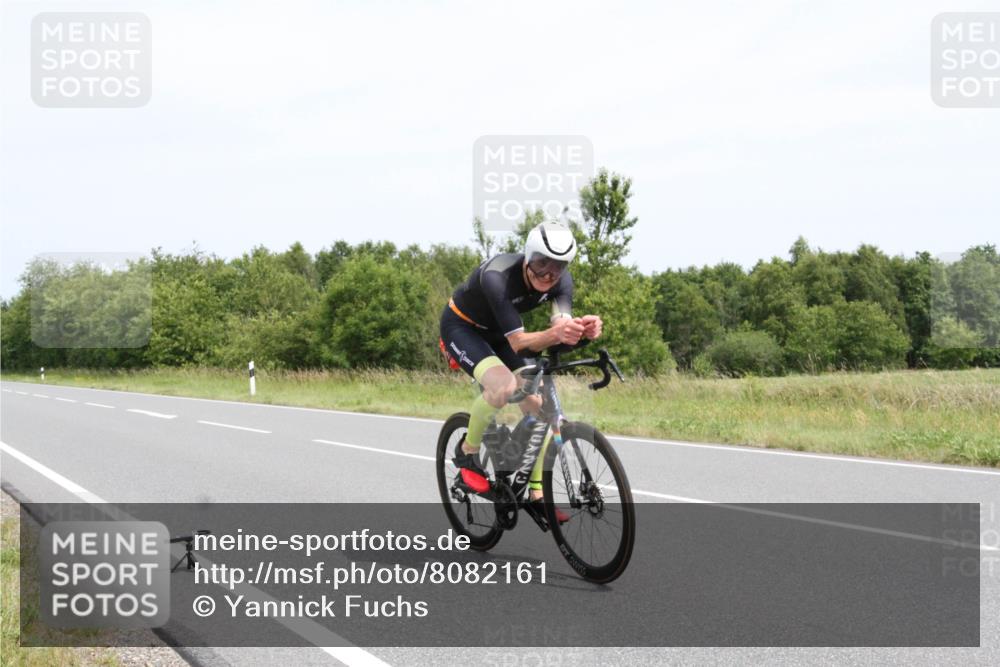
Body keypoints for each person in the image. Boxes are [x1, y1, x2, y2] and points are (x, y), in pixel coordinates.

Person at [439, 221, 603, 516]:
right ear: (528, 256)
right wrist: (557, 334)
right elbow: (517, 342)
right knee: (503, 387)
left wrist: (580, 330)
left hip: (500, 334)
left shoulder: (561, 282)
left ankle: (536, 493)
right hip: (463, 328)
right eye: (542, 263)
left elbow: (559, 328)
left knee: (540, 407)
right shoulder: (497, 276)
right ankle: (468, 453)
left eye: (558, 266)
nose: (548, 275)